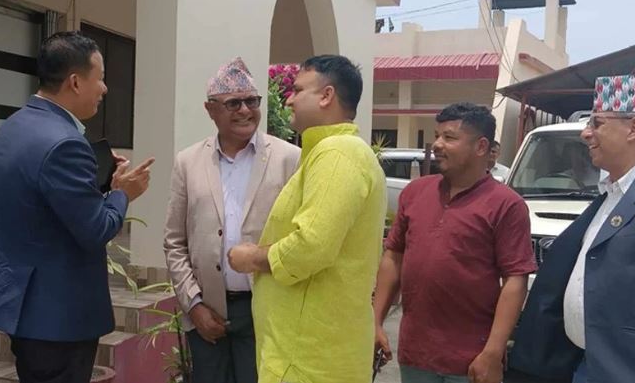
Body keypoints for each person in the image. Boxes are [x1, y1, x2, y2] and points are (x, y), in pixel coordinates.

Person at [0, 31, 154, 383]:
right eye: (100, 78)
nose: (104, 88)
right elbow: (95, 229)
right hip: (57, 316)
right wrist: (122, 192)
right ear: (75, 82)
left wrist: (97, 174)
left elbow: (41, 196)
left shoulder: (13, 126)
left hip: (20, 303)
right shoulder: (64, 143)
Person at [227, 55, 387, 383]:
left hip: (308, 358)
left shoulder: (337, 153)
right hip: (305, 351)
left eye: (298, 90)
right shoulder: (328, 152)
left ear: (326, 96)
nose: (289, 99)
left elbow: (311, 245)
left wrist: (253, 257)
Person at [510, 74, 635, 383]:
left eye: (597, 123)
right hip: (586, 365)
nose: (586, 133)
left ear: (634, 128)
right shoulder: (610, 196)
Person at [374, 103, 536, 383]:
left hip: (472, 360)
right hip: (415, 354)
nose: (437, 144)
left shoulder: (506, 205)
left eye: (449, 137)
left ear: (481, 146)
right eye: (437, 136)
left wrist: (493, 352)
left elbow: (515, 280)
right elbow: (393, 257)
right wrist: (375, 321)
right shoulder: (415, 192)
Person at [163, 57, 300, 383]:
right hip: (208, 313)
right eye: (233, 103)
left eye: (252, 101)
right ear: (210, 109)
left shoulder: (289, 159)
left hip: (266, 310)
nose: (245, 110)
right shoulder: (188, 162)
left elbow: (300, 236)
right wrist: (194, 306)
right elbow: (174, 242)